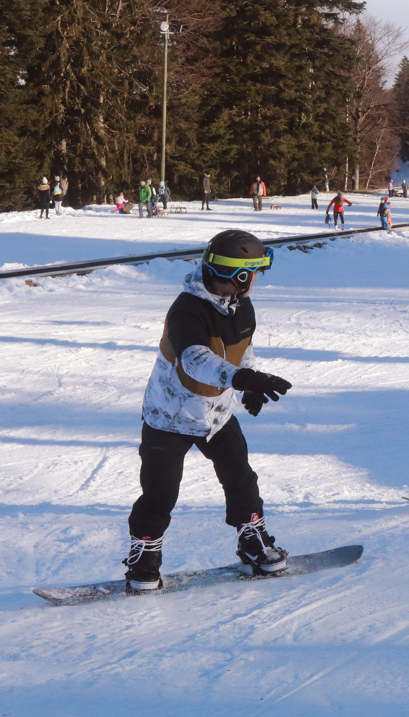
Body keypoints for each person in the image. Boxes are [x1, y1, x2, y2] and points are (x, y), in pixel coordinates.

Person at [123, 230, 292, 590]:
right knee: (160, 492)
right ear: (239, 276)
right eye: (255, 272)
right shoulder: (187, 310)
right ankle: (145, 559)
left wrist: (249, 383)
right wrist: (243, 377)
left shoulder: (241, 307)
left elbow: (242, 349)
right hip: (169, 415)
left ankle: (252, 541)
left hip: (216, 414)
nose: (258, 280)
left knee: (240, 477)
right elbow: (195, 359)